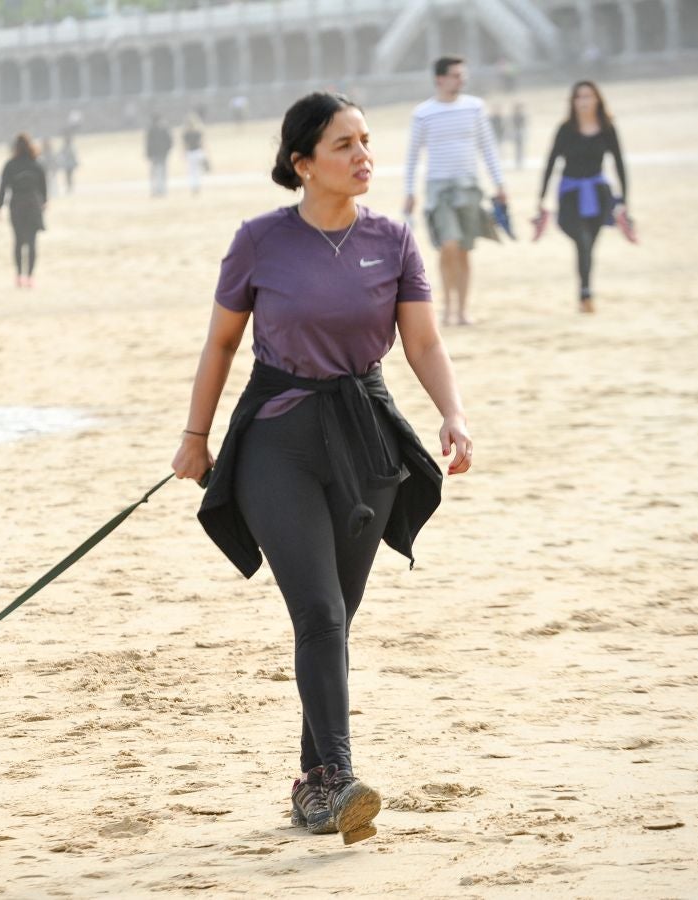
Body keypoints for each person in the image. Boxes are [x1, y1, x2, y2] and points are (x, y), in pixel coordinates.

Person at [170, 92, 472, 846]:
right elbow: (220, 346)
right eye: (344, 145)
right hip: (277, 437)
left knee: (335, 620)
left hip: (365, 438)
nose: (363, 155)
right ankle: (335, 777)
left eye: (367, 140)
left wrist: (452, 414)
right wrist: (195, 435)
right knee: (319, 612)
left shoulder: (393, 240)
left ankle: (310, 784)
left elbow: (423, 344)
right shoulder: (258, 242)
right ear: (302, 163)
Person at [403, 56, 507, 327]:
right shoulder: (423, 113)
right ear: (440, 78)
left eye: (463, 75)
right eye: (456, 75)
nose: (462, 79)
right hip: (438, 190)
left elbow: (488, 148)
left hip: (469, 187)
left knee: (463, 249)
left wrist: (500, 185)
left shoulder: (475, 108)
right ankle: (447, 308)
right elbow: (413, 156)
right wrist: (409, 191)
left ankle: (461, 311)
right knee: (447, 245)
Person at [537, 81, 631, 314]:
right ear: (573, 102)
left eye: (588, 96)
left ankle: (585, 292)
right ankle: (586, 292)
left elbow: (619, 164)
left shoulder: (607, 128)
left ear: (597, 99)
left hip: (599, 194)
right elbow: (550, 163)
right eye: (579, 97)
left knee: (590, 245)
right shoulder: (566, 129)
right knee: (583, 240)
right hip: (570, 194)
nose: (584, 101)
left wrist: (624, 200)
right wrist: (541, 198)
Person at [0, 133, 48, 289]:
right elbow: (43, 186)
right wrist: (44, 201)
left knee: (18, 242)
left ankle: (19, 276)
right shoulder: (36, 164)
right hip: (32, 204)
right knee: (32, 242)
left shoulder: (10, 165)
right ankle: (30, 277)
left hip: (16, 205)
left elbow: (2, 187)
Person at [146, 114, 173, 197]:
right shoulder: (164, 129)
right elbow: (170, 141)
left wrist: (148, 153)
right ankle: (161, 190)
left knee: (155, 173)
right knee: (161, 172)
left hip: (156, 154)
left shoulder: (151, 130)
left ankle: (156, 190)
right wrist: (167, 150)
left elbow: (148, 143)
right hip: (162, 153)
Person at [182, 113, 208, 195]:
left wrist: (184, 154)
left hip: (190, 153)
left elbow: (185, 146)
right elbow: (202, 144)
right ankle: (197, 186)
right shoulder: (198, 132)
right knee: (198, 171)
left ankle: (193, 186)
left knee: (191, 171)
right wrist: (205, 153)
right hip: (198, 152)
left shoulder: (186, 134)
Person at [511, 102, 528, 170]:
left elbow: (524, 125)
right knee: (517, 149)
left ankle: (521, 161)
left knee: (521, 149)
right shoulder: (514, 116)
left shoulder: (522, 116)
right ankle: (517, 162)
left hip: (520, 132)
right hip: (516, 133)